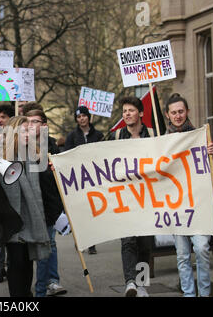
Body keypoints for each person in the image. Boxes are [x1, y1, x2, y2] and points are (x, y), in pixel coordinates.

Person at [164, 93, 213, 297]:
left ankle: (204, 293)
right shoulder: (163, 141)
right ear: (167, 115)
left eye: (181, 111)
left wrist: (212, 154)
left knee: (202, 248)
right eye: (174, 112)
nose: (177, 115)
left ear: (187, 112)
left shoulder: (201, 135)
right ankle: (188, 294)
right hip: (176, 206)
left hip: (198, 205)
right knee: (182, 255)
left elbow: (212, 166)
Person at [0, 116, 51, 297]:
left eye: (29, 130)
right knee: (17, 261)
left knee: (28, 263)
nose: (28, 133)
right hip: (13, 219)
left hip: (32, 217)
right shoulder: (1, 156)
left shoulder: (36, 156)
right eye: (23, 130)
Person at [110, 96, 154, 297]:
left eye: (131, 110)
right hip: (124, 198)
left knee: (144, 243)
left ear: (141, 113)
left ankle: (142, 283)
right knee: (128, 241)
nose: (126, 114)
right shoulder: (116, 136)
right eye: (124, 111)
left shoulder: (153, 135)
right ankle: (130, 282)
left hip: (147, 198)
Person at [26, 109, 66, 297]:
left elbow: (59, 176)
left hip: (49, 204)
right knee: (39, 247)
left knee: (47, 243)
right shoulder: (21, 146)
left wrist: (54, 168)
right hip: (31, 204)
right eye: (28, 122)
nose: (31, 125)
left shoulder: (51, 146)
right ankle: (43, 284)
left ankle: (48, 283)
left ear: (44, 125)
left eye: (35, 121)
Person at [63, 106, 104, 255]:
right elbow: (67, 155)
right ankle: (80, 239)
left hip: (94, 178)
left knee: (93, 210)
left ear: (88, 117)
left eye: (84, 116)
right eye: (79, 117)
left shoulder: (98, 135)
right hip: (78, 179)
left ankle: (92, 242)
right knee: (80, 211)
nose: (82, 119)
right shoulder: (72, 136)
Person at [0, 103, 15, 283]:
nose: (0, 120)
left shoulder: (19, 141)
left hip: (14, 192)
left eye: (4, 117)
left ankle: (11, 267)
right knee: (1, 234)